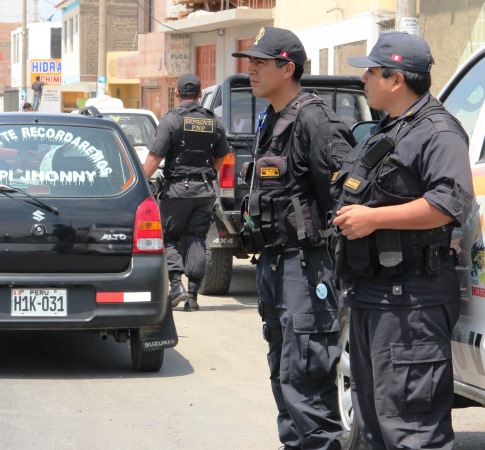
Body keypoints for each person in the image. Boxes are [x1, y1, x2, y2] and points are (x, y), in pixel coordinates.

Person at [333, 32, 474, 449]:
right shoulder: (390, 129)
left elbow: (449, 203)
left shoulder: (438, 131)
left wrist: (373, 219)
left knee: (411, 430)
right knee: (375, 424)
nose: (363, 80)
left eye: (370, 72)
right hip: (372, 294)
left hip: (410, 301)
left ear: (395, 79)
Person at [232, 27, 355, 449]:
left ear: (288, 68)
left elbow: (346, 197)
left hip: (306, 269)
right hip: (273, 266)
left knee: (306, 383)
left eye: (260, 63)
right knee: (284, 379)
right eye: (249, 63)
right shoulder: (271, 118)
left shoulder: (315, 120)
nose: (250, 70)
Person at [143, 74, 229, 312]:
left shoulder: (171, 120)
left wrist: (137, 184)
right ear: (200, 94)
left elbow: (154, 158)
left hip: (177, 191)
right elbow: (222, 155)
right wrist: (208, 173)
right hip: (204, 191)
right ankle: (192, 296)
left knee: (169, 237)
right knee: (196, 239)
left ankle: (175, 287)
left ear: (177, 94)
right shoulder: (214, 120)